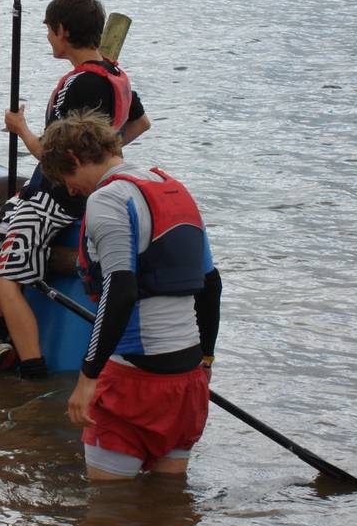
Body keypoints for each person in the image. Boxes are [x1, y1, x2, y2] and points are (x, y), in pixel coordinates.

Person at [0, 0, 152, 378]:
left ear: (63, 31)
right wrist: (104, 157)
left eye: (49, 30)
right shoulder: (114, 74)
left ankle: (31, 370)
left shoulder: (79, 85)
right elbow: (140, 123)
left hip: (56, 197)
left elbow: (53, 157)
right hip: (48, 190)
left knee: (5, 281)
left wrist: (20, 128)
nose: (47, 38)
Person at [38, 111, 221, 480]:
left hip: (134, 382)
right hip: (187, 382)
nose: (71, 191)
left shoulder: (109, 199)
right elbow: (211, 285)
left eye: (67, 179)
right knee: (168, 507)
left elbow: (120, 289)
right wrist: (206, 360)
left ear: (74, 159)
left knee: (108, 513)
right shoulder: (174, 189)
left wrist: (88, 376)